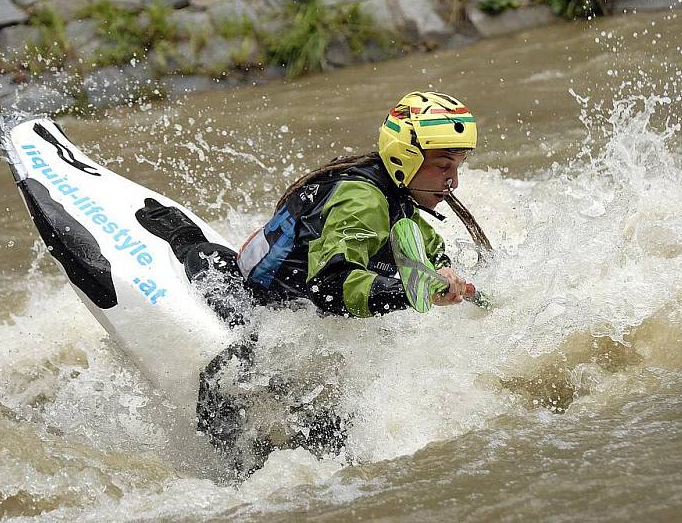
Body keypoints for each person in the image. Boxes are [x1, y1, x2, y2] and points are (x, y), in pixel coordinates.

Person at [136, 91, 479, 475]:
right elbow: (332, 288)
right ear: (406, 155)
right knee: (223, 348)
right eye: (444, 166)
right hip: (261, 305)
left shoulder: (395, 192)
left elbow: (422, 241)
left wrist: (444, 269)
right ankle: (183, 236)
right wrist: (412, 294)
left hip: (299, 316)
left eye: (458, 167)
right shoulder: (361, 200)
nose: (454, 181)